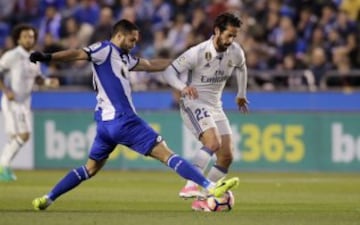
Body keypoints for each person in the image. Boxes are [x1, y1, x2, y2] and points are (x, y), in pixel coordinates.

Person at [29, 19, 239, 211]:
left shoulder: (123, 58)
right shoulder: (104, 49)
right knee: (167, 155)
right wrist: (48, 57)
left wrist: (181, 61)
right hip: (124, 120)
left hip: (105, 125)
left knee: (89, 169)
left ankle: (48, 198)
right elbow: (77, 53)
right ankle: (209, 187)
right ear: (119, 36)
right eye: (131, 40)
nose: (134, 44)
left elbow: (149, 65)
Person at [162, 12, 249, 211]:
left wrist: (241, 94)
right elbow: (169, 72)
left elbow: (242, 68)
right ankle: (190, 184)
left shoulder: (235, 51)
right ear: (217, 31)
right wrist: (183, 87)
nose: (231, 40)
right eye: (228, 35)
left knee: (226, 156)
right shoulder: (198, 52)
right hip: (193, 102)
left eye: (234, 36)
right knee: (213, 142)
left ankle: (203, 198)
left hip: (215, 106)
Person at [0, 24, 59, 182]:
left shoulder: (35, 57)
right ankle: (3, 166)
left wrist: (48, 82)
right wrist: (6, 91)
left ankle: (3, 167)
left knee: (16, 137)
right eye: (25, 36)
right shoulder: (11, 56)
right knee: (23, 135)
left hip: (25, 102)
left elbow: (37, 78)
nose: (29, 39)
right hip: (12, 101)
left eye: (31, 36)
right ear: (18, 39)